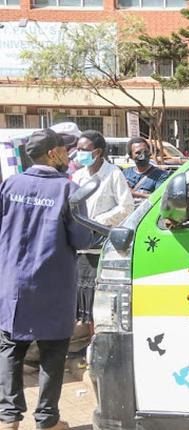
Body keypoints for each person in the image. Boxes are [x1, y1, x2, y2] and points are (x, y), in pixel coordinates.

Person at [0, 129, 93, 430]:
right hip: (53, 285)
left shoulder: (10, 185)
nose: (70, 155)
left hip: (13, 283)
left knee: (11, 349)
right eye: (66, 150)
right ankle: (47, 420)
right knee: (53, 352)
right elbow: (81, 238)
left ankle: (8, 418)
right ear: (53, 154)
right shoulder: (68, 190)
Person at [71, 130, 134, 327]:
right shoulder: (78, 175)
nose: (79, 153)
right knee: (81, 299)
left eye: (84, 150)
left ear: (97, 152)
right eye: (78, 149)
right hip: (80, 244)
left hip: (101, 241)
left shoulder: (113, 173)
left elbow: (126, 207)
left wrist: (97, 221)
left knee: (100, 299)